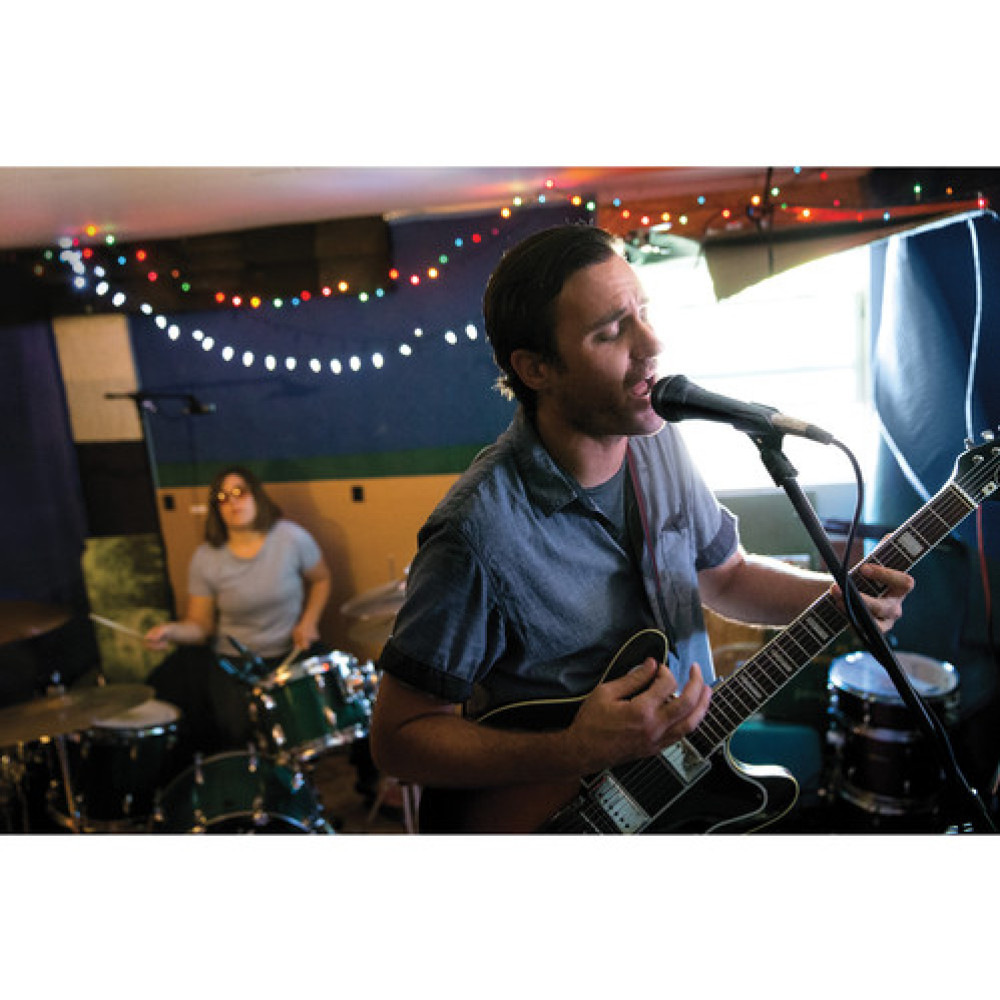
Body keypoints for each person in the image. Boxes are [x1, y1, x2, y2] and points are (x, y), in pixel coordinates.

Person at [368, 223, 914, 833]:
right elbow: (397, 740)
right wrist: (573, 749)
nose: (652, 343)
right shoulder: (475, 533)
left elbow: (725, 576)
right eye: (610, 332)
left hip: (686, 790)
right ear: (536, 368)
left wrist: (837, 599)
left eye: (644, 313)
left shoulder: (658, 441)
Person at [145, 466, 331, 758]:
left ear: (256, 496)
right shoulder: (206, 558)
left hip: (289, 652)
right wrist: (170, 631)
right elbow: (200, 626)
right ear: (216, 509)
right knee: (237, 735)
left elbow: (321, 579)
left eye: (239, 492)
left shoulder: (291, 538)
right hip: (234, 664)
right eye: (222, 498)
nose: (232, 502)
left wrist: (309, 621)